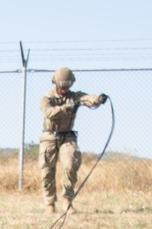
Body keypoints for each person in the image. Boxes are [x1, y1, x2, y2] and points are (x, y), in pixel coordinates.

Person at [38, 67, 107, 213]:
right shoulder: (47, 98)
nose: (64, 90)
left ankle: (67, 201)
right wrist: (65, 107)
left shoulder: (74, 96)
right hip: (49, 136)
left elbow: (86, 99)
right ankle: (49, 203)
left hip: (67, 137)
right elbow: (48, 112)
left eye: (67, 87)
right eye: (62, 87)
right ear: (55, 83)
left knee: (70, 165)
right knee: (47, 171)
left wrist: (97, 99)